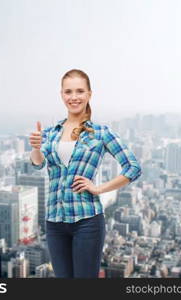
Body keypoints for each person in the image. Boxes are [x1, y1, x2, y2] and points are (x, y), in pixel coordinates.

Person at [29, 69, 142, 278]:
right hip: (55, 223)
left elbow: (133, 168)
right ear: (62, 95)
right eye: (68, 92)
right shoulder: (49, 134)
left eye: (80, 91)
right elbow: (37, 164)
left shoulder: (101, 133)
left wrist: (99, 188)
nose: (74, 97)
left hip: (87, 221)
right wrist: (36, 147)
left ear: (89, 94)